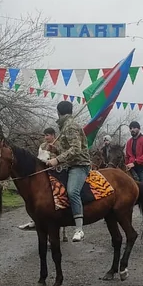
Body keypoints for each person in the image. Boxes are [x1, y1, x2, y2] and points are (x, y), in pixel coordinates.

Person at [44, 101, 92, 242]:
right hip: (69, 164)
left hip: (79, 165)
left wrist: (57, 159)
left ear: (58, 112)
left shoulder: (70, 126)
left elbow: (76, 150)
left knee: (72, 191)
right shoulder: (65, 126)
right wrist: (57, 150)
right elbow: (68, 150)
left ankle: (79, 229)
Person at [19, 128, 58, 230]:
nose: (46, 137)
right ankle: (34, 219)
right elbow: (39, 157)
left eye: (48, 135)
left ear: (53, 135)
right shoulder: (42, 145)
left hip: (56, 170)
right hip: (42, 170)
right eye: (45, 135)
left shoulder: (58, 143)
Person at [124, 121, 143, 187]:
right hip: (130, 168)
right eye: (130, 128)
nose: (132, 130)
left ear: (139, 129)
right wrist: (126, 164)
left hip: (142, 167)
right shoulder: (129, 142)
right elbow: (127, 155)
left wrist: (135, 163)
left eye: (134, 128)